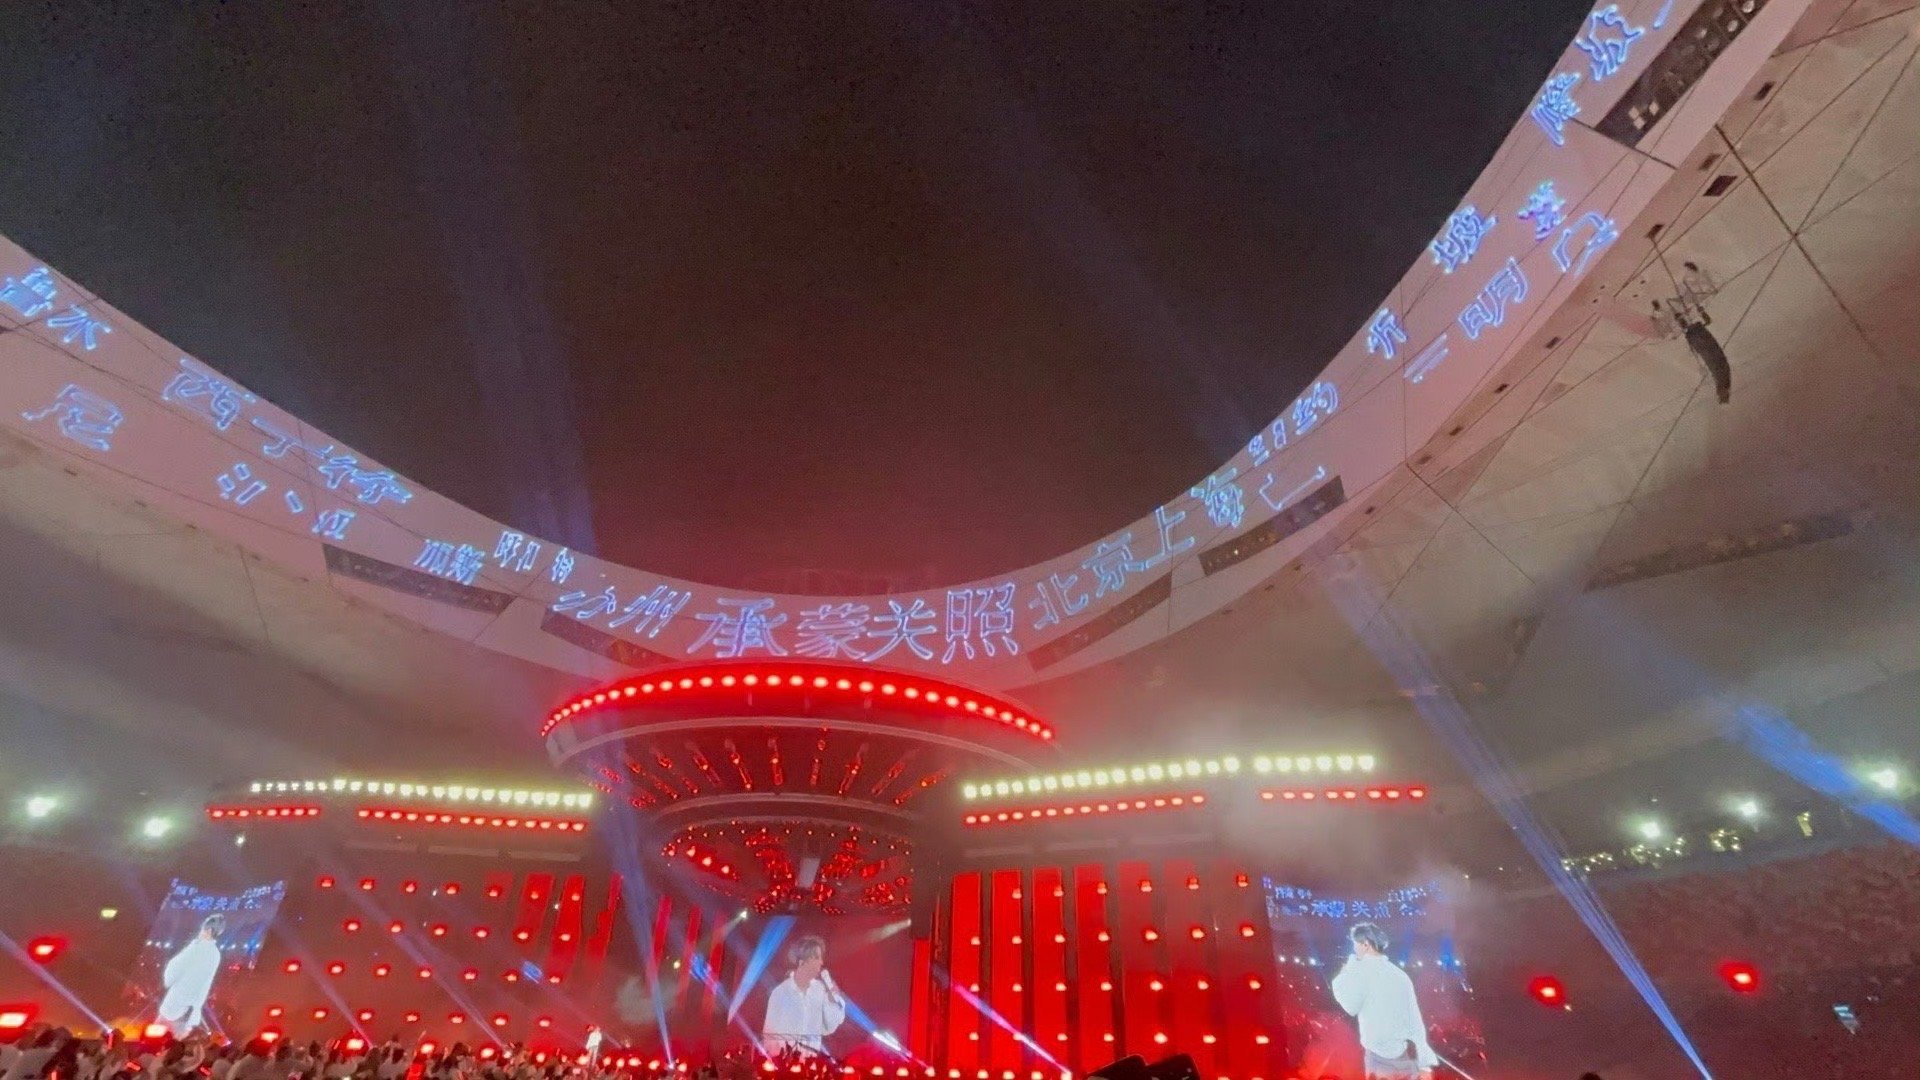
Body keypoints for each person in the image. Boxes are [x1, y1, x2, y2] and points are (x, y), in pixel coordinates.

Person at [1330, 923, 1438, 1080]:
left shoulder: (1360, 973)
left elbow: (1351, 1007)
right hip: (1402, 1056)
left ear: (1366, 944)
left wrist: (1342, 976)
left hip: (1377, 1060)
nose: (1354, 949)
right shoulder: (1400, 975)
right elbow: (1415, 1020)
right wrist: (1425, 1064)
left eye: (1355, 944)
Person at [760, 936, 845, 1057]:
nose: (821, 962)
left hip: (810, 1065)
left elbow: (828, 1027)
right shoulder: (781, 993)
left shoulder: (820, 990)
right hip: (785, 1064)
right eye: (816, 957)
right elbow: (770, 1037)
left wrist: (832, 1001)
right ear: (802, 962)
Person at [157, 915, 227, 1034]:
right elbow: (206, 985)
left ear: (208, 930)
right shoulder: (215, 955)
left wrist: (167, 981)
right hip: (190, 1013)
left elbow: (172, 971)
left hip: (173, 1007)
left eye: (202, 928)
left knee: (156, 1039)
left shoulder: (195, 949)